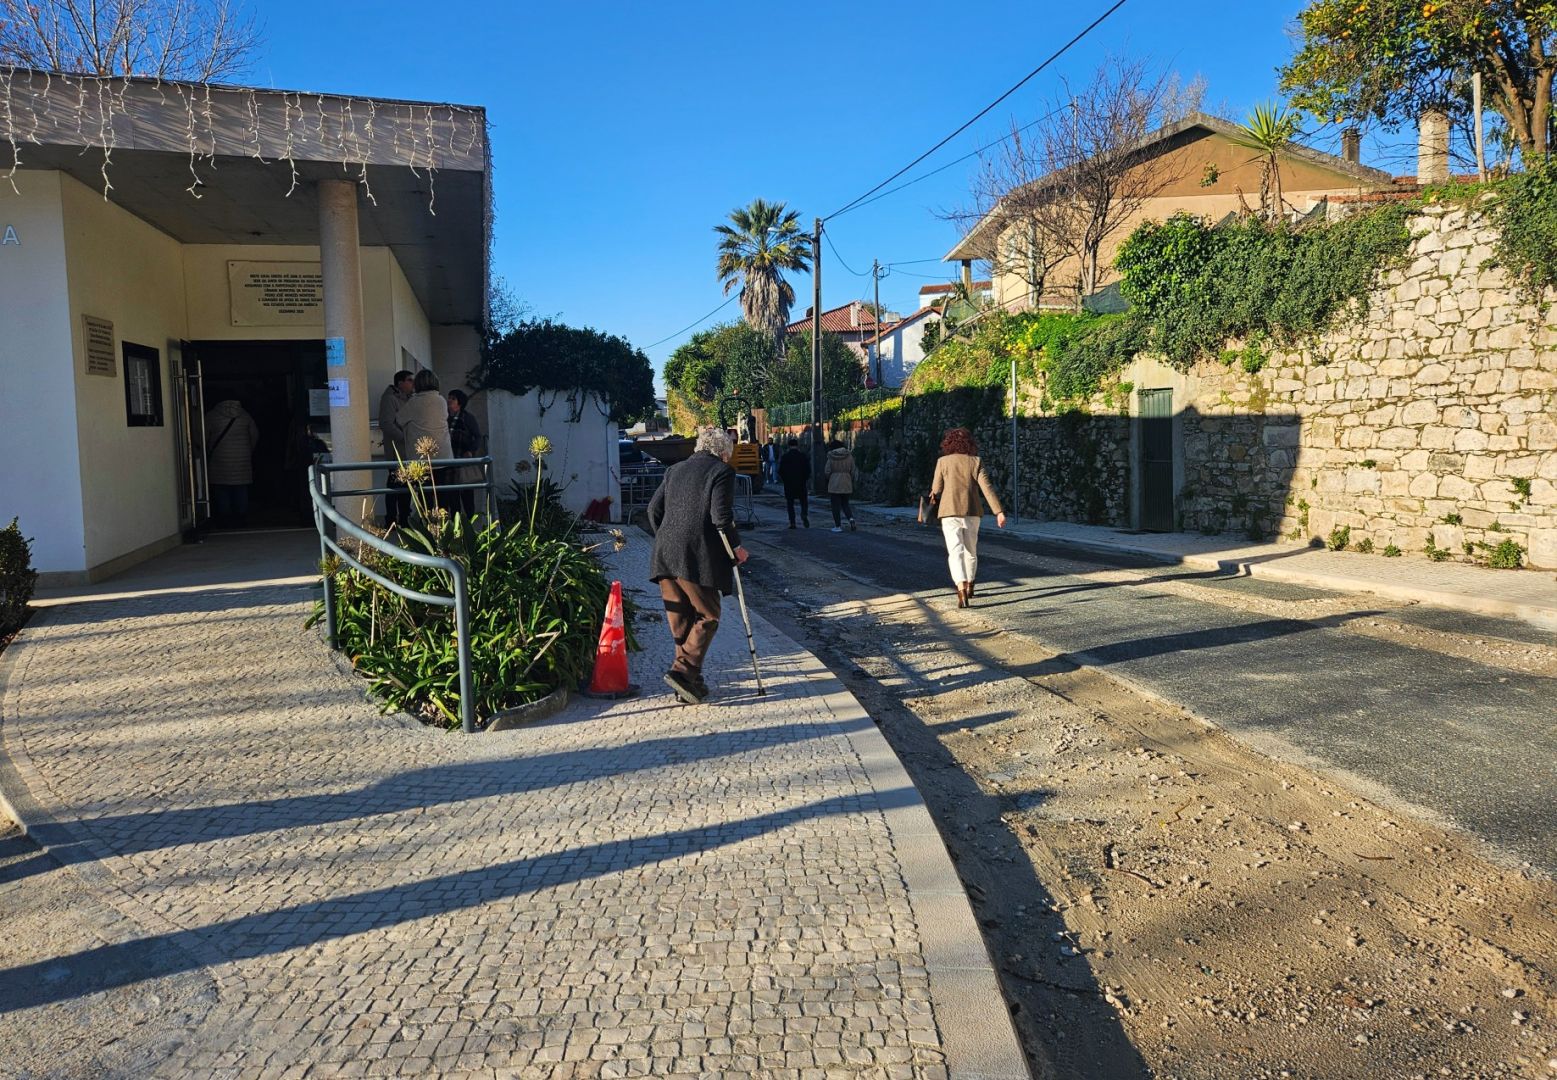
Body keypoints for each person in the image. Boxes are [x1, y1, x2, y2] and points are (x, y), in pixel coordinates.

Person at [647, 426, 750, 704]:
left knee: (681, 620)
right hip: (695, 556)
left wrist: (667, 538)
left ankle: (690, 682)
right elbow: (721, 518)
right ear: (723, 452)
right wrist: (736, 549)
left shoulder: (674, 470)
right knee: (708, 614)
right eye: (729, 452)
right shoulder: (721, 471)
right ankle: (682, 673)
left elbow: (653, 510)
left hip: (665, 554)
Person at [929, 427, 1006, 608]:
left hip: (949, 512)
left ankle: (961, 590)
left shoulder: (942, 462)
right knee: (971, 550)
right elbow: (986, 487)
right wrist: (999, 512)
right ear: (970, 444)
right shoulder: (975, 461)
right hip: (972, 511)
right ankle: (971, 584)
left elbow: (936, 489)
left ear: (948, 444)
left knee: (955, 552)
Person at [398, 369, 453, 513]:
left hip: (421, 459)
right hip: (444, 456)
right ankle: (445, 528)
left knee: (425, 499)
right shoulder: (441, 400)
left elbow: (399, 419)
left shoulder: (414, 401)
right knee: (443, 497)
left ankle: (428, 529)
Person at [204, 397, 258, 528]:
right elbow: (255, 434)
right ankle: (241, 518)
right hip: (242, 460)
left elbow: (202, 436)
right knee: (241, 489)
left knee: (222, 489)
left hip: (219, 460)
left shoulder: (211, 415)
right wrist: (248, 451)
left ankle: (225, 520)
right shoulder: (245, 415)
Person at [378, 369, 414, 526]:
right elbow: (386, 424)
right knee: (394, 487)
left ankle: (405, 518)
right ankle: (391, 520)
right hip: (396, 452)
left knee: (406, 486)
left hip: (407, 452)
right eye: (409, 380)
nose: (412, 384)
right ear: (400, 382)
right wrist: (405, 438)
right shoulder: (390, 399)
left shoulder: (408, 399)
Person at [446, 388, 483, 520]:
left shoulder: (468, 418)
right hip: (449, 462)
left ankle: (470, 522)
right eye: (449, 397)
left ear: (460, 402)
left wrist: (471, 451)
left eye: (453, 398)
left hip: (463, 460)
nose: (449, 400)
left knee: (467, 493)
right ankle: (456, 522)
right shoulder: (444, 417)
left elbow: (478, 437)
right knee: (452, 495)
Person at [777, 436, 811, 529]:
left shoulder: (785, 457)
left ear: (789, 446)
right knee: (803, 501)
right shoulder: (803, 456)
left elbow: (780, 471)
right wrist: (805, 479)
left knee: (790, 503)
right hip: (801, 483)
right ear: (797, 445)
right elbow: (808, 470)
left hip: (789, 484)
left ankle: (792, 522)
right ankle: (804, 514)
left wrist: (785, 480)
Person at [824, 438, 856, 533]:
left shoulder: (831, 456)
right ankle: (851, 519)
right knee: (845, 504)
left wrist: (830, 478)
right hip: (846, 482)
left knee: (835, 506)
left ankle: (838, 526)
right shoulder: (849, 456)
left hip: (834, 483)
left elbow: (827, 471)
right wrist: (850, 478)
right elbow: (853, 470)